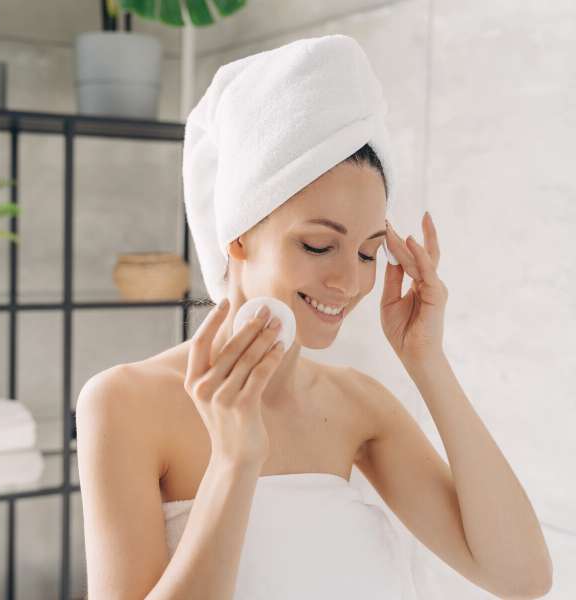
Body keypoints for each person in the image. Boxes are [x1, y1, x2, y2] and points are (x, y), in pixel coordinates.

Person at [76, 34, 552, 600]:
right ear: (237, 237)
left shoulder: (360, 406)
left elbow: (521, 578)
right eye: (318, 246)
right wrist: (234, 461)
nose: (348, 282)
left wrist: (428, 360)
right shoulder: (123, 403)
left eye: (369, 252)